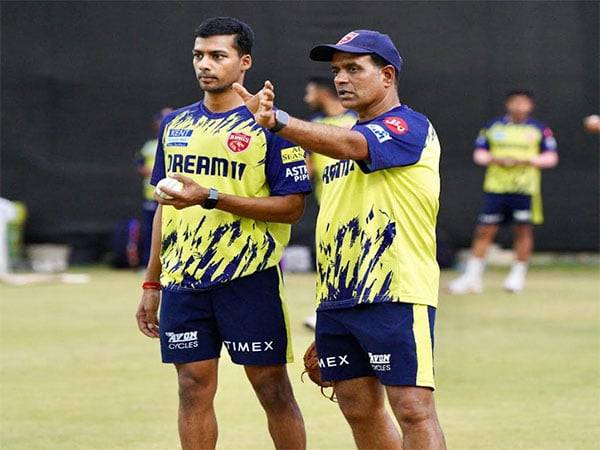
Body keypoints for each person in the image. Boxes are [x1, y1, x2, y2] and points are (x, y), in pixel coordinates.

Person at [235, 29, 446, 450]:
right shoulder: (336, 137)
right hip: (338, 296)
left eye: (354, 68)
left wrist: (279, 121)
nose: (341, 79)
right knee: (357, 407)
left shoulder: (408, 125)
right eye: (335, 71)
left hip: (395, 291)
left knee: (412, 409)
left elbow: (353, 144)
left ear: (387, 75)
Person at [134, 17, 309, 450]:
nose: (204, 65)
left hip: (249, 279)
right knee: (192, 387)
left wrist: (211, 196)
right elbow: (164, 207)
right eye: (198, 55)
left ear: (244, 62)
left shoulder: (271, 127)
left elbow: (292, 209)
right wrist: (152, 281)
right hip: (183, 282)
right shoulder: (174, 126)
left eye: (217, 56)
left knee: (272, 389)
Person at [448, 90, 558, 294]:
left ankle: (516, 278)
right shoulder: (493, 127)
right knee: (484, 230)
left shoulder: (539, 129)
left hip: (524, 189)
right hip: (496, 188)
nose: (519, 106)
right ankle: (472, 278)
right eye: (515, 102)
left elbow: (551, 158)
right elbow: (479, 154)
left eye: (523, 103)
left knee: (523, 231)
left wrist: (527, 161)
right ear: (508, 104)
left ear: (530, 106)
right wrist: (497, 160)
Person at [302, 76, 356, 330]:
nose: (306, 98)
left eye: (309, 92)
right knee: (330, 260)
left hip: (359, 205)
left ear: (322, 92)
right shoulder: (316, 125)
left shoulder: (357, 120)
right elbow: (308, 168)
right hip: (328, 205)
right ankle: (327, 312)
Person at [135, 108, 172, 267]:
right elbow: (139, 164)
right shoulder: (150, 145)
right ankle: (147, 264)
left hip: (175, 196)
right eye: (162, 119)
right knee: (151, 231)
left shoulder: (182, 140)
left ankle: (169, 264)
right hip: (152, 195)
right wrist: (152, 171)